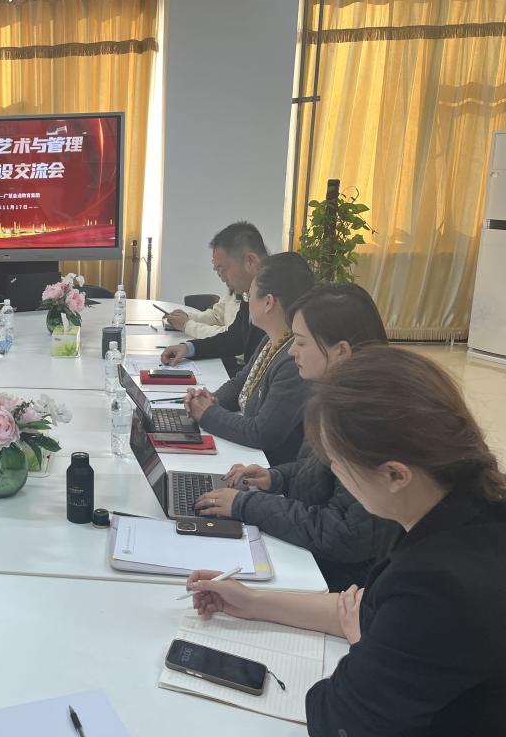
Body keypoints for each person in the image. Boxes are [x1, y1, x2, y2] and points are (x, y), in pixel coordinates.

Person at [186, 347, 506, 735]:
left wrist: (362, 643)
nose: (333, 471)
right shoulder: (465, 508)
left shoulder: (437, 583)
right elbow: (361, 609)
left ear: (395, 475)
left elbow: (335, 719)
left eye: (337, 463)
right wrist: (252, 602)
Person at [192, 284, 402, 591]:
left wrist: (246, 506)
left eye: (301, 342)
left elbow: (344, 533)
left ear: (341, 351)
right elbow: (321, 472)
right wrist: (275, 478)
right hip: (314, 552)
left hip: (340, 582)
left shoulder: (368, 422)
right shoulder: (339, 400)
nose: (291, 351)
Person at [184, 252, 314, 465]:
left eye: (249, 296)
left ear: (268, 302)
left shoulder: (293, 359)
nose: (246, 302)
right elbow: (239, 383)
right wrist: (209, 400)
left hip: (265, 466)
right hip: (248, 456)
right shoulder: (270, 340)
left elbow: (261, 432)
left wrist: (208, 413)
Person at [161, 221, 269, 375]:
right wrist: (188, 348)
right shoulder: (249, 292)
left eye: (223, 269)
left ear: (250, 261)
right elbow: (235, 338)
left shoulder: (277, 299)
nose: (222, 277)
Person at [166, 292, 239, 339]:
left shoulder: (245, 296)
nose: (219, 275)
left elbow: (230, 336)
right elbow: (216, 315)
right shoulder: (234, 290)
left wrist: (187, 325)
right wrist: (187, 317)